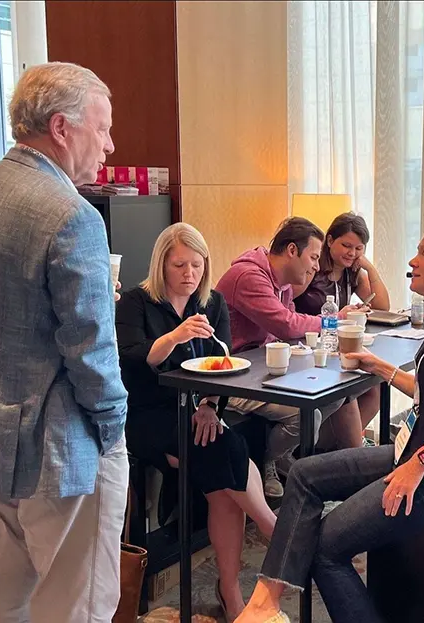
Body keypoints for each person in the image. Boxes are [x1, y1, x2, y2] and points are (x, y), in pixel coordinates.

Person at [0, 62, 128, 623]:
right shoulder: (74, 215)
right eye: (103, 128)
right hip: (59, 449)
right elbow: (90, 352)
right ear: (62, 129)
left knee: (6, 602)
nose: (110, 145)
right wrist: (113, 432)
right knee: (75, 607)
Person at [235, 222, 424, 623]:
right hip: (413, 457)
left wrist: (417, 465)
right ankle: (266, 601)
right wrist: (379, 366)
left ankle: (266, 605)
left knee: (324, 548)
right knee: (304, 475)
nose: (412, 261)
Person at [116, 222, 276, 619]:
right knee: (222, 450)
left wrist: (209, 406)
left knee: (220, 473)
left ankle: (231, 586)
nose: (190, 274)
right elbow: (133, 361)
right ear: (162, 266)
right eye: (179, 265)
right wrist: (174, 336)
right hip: (147, 414)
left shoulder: (213, 303)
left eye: (197, 265)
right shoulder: (137, 302)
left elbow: (223, 366)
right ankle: (275, 532)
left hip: (196, 411)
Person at [216, 217, 369, 498]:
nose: (315, 266)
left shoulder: (281, 282)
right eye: (312, 257)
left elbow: (284, 334)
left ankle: (283, 456)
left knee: (334, 393)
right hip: (234, 377)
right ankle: (270, 461)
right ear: (291, 251)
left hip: (261, 368)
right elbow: (285, 325)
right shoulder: (249, 276)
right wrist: (331, 322)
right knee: (306, 412)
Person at [293, 212, 391, 447]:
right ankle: (350, 449)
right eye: (346, 245)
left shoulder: (352, 272)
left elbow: (383, 307)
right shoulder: (313, 268)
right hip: (309, 347)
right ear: (329, 241)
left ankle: (342, 446)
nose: (352, 253)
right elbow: (288, 308)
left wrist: (369, 267)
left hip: (338, 347)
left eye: (359, 248)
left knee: (375, 386)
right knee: (347, 390)